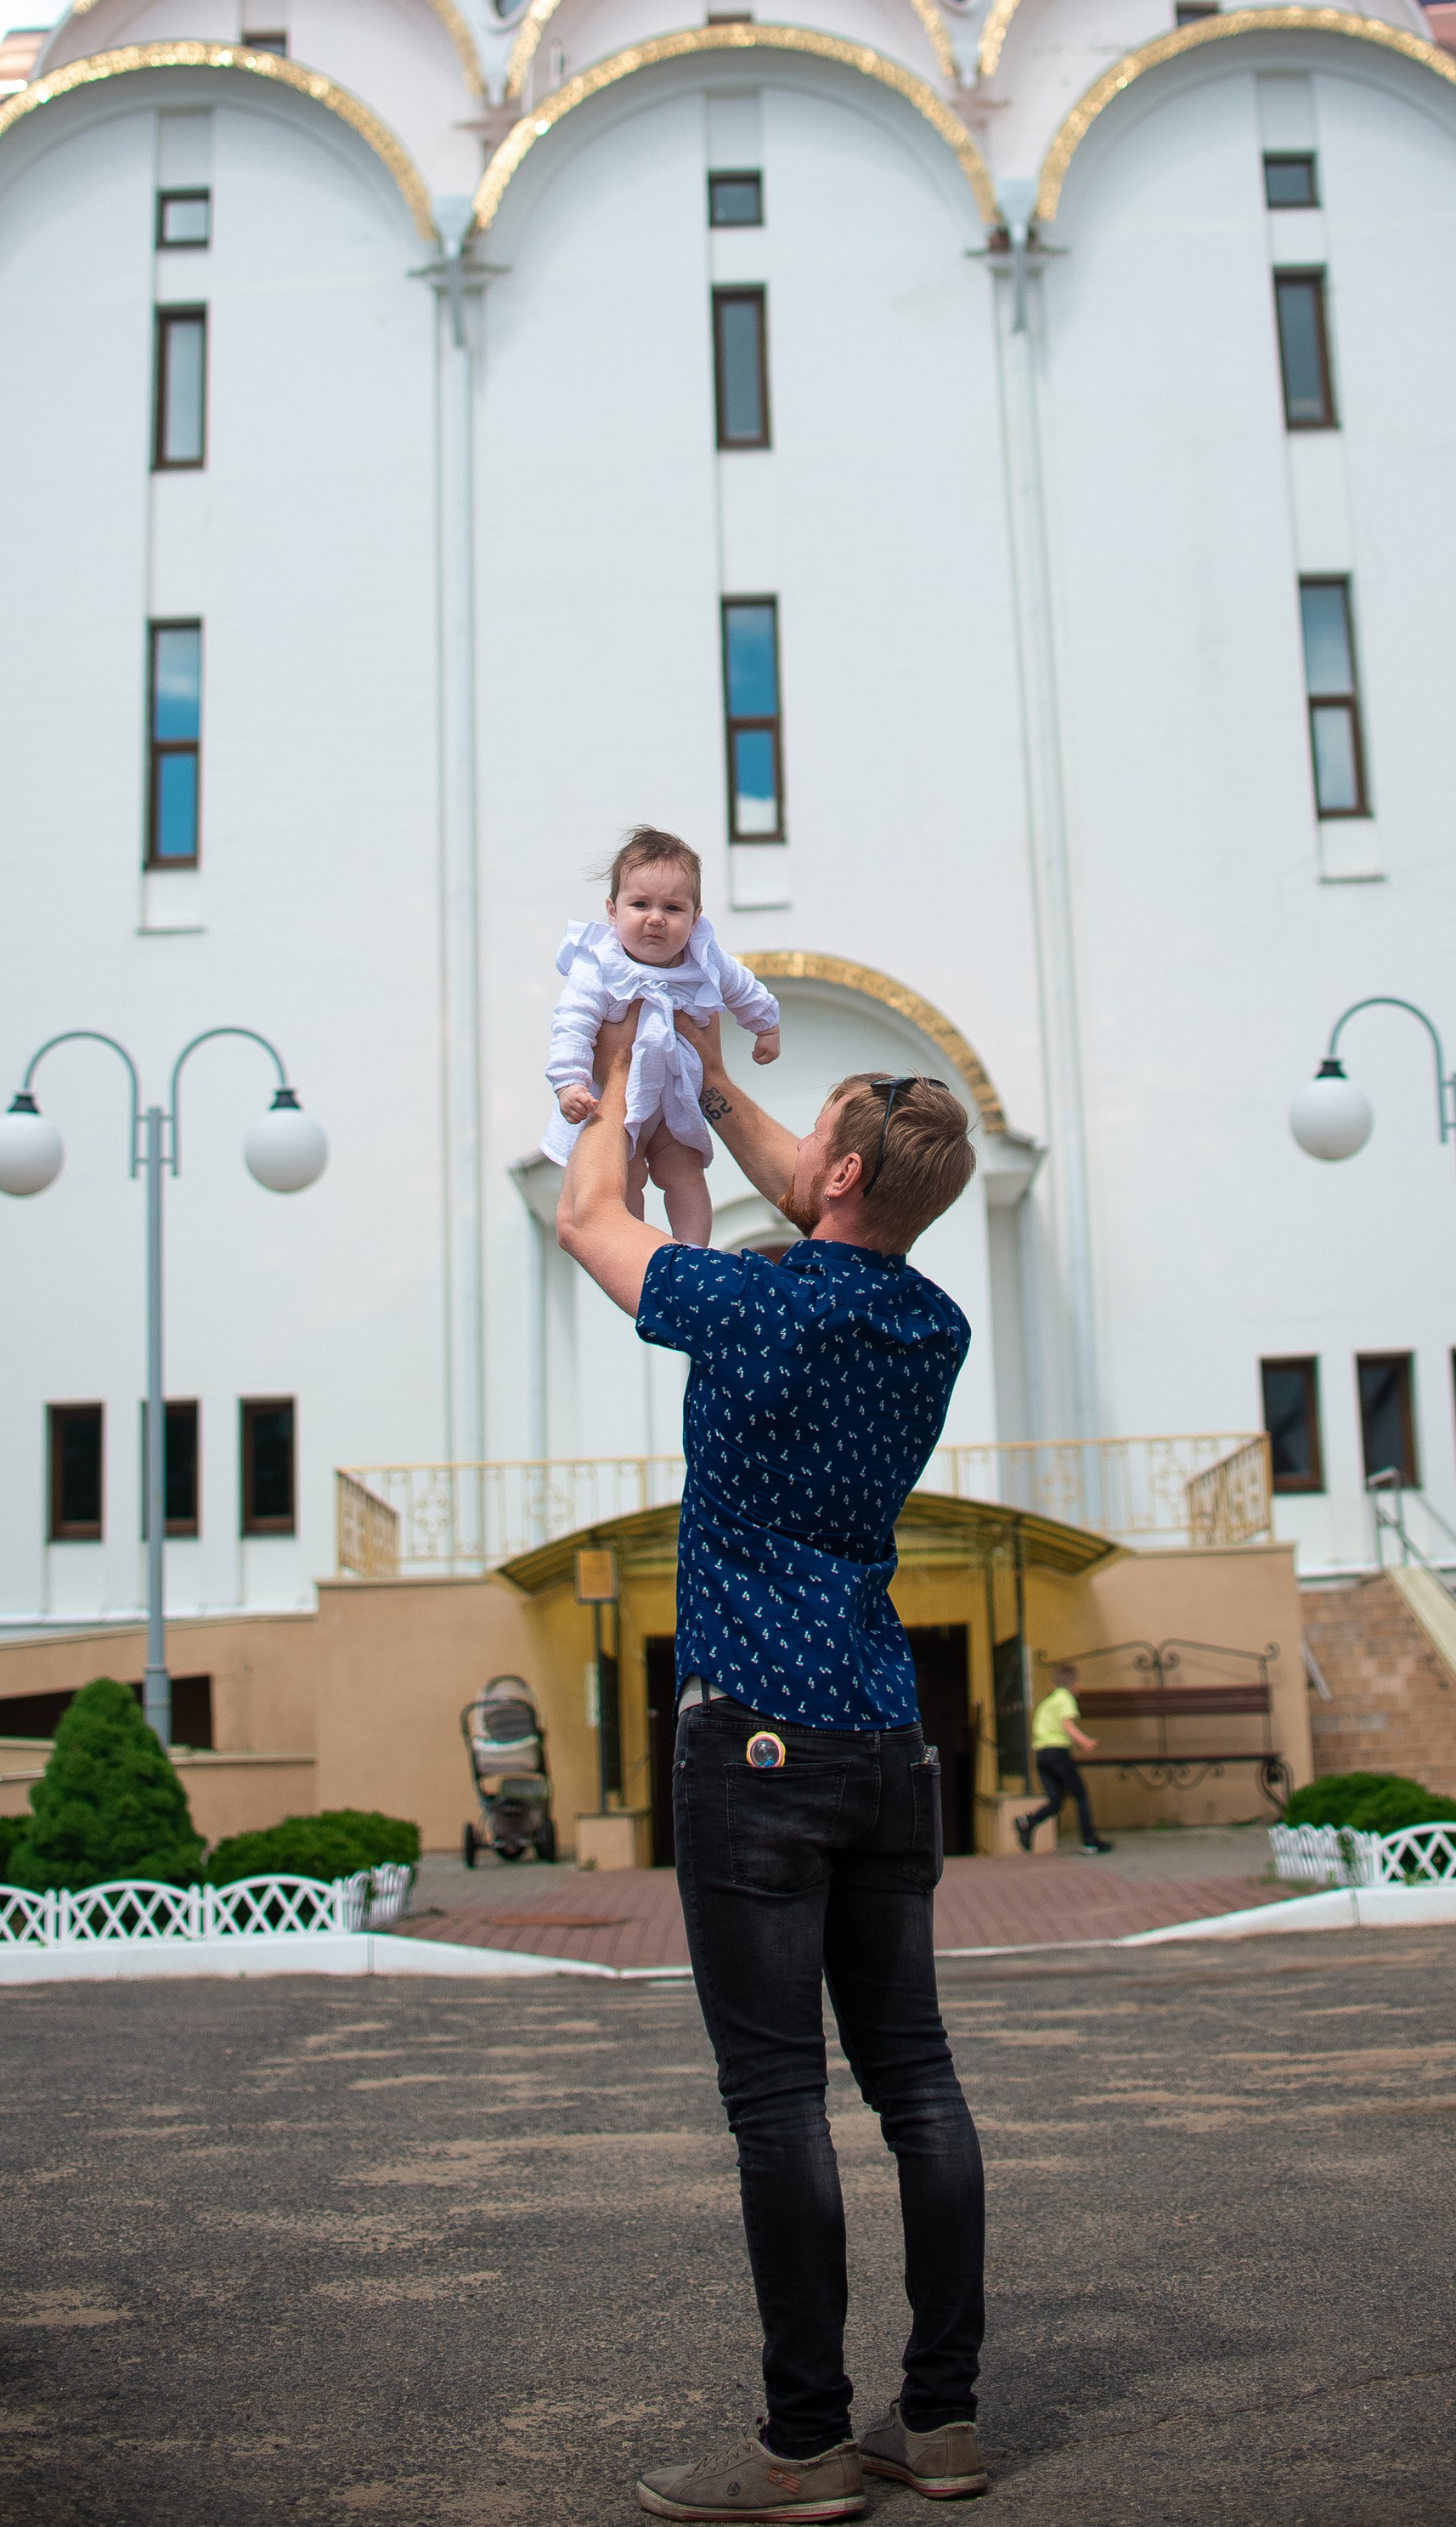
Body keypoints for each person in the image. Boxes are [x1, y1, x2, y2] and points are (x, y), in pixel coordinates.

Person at [556, 996, 991, 2520]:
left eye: (821, 1134)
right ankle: (935, 2419)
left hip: (754, 1739)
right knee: (918, 2084)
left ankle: (802, 2444)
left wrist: (614, 1071)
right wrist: (717, 1087)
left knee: (776, 2098)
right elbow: (823, 1191)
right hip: (885, 1731)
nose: (799, 1147)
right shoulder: (929, 1322)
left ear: (847, 1177)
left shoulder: (755, 1302)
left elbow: (584, 1214)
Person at [543, 826, 781, 1246]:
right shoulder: (599, 964)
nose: (655, 918)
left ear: (695, 917)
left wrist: (766, 1025)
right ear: (613, 911)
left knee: (684, 1175)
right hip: (619, 1100)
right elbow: (573, 1024)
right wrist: (569, 1083)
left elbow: (743, 987)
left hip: (677, 1093)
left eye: (673, 907)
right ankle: (637, 1252)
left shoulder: (705, 958)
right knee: (624, 1179)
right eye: (640, 904)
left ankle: (694, 1251)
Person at [1013, 1664, 1111, 1856]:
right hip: (1058, 1752)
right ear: (1074, 1684)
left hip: (1041, 1755)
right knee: (1080, 1794)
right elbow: (1066, 1723)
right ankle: (1090, 1841)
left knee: (1056, 1799)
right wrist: (1084, 1741)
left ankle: (1028, 1822)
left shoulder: (1046, 1703)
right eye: (1078, 1683)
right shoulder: (1065, 1698)